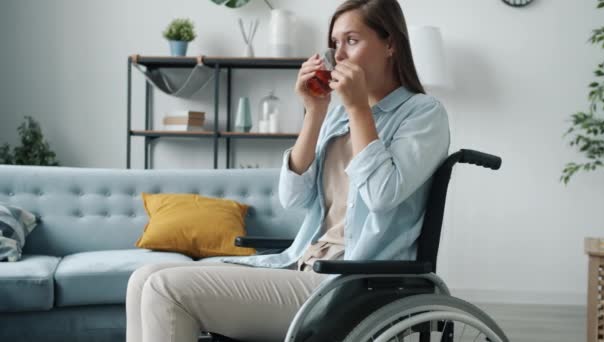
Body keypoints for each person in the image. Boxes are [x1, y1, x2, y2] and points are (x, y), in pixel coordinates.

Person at [125, 0, 450, 341]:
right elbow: (292, 198)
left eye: (352, 40)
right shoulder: (337, 117)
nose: (338, 55)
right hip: (305, 264)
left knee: (164, 286)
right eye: (334, 43)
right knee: (142, 277)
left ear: (390, 44)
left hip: (353, 283)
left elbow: (383, 195)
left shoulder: (423, 114)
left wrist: (357, 109)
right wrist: (314, 112)